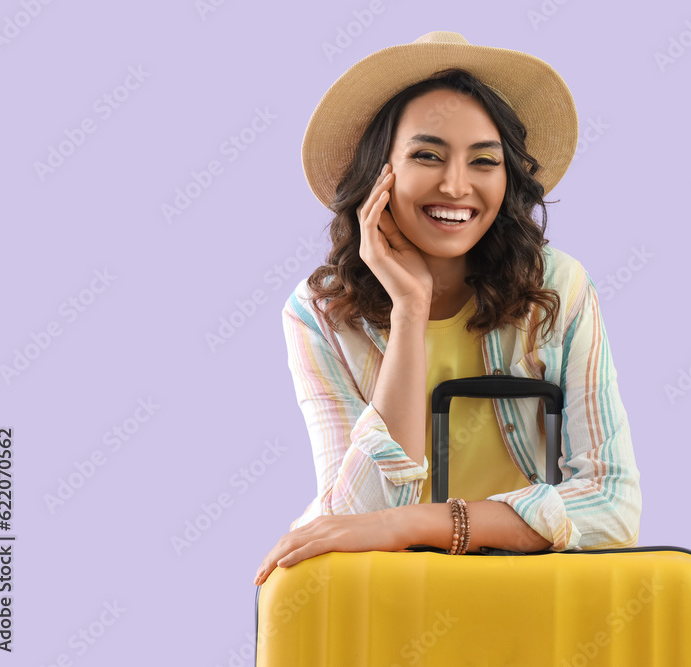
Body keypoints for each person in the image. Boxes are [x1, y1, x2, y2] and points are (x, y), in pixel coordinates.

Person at [254, 31, 640, 587]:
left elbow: (613, 502)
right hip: (388, 600)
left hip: (530, 596)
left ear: (507, 180)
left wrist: (424, 524)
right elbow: (355, 519)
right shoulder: (319, 315)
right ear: (377, 174)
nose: (456, 185)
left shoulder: (558, 289)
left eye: (484, 161)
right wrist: (410, 311)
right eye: (427, 155)